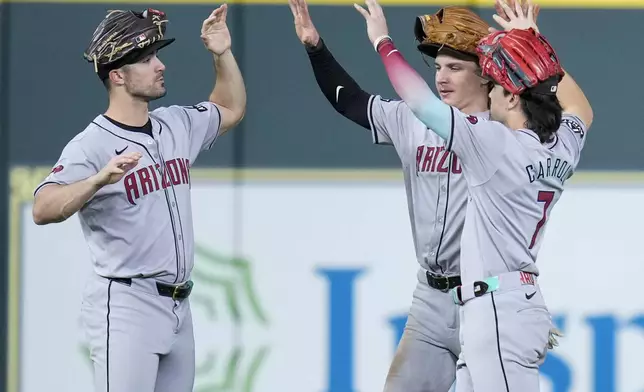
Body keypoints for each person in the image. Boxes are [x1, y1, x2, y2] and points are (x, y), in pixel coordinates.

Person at [353, 0, 593, 390]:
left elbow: (419, 102)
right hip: (513, 302)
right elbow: (581, 108)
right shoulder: (560, 145)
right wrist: (533, 41)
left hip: (496, 309)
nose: (491, 94)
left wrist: (383, 41)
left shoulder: (494, 143)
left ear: (513, 98)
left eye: (496, 87)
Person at [31, 6, 246, 392]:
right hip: (127, 303)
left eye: (156, 56)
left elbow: (230, 108)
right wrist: (97, 180)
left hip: (180, 305)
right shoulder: (92, 144)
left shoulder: (174, 124)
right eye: (146, 60)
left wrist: (221, 53)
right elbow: (43, 208)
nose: (159, 65)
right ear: (117, 75)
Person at [288, 1, 498, 390]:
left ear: (486, 76)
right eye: (437, 67)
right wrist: (315, 47)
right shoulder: (411, 121)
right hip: (431, 298)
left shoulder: (501, 135)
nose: (442, 77)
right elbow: (350, 101)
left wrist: (383, 41)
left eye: (455, 67)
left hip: (487, 301)